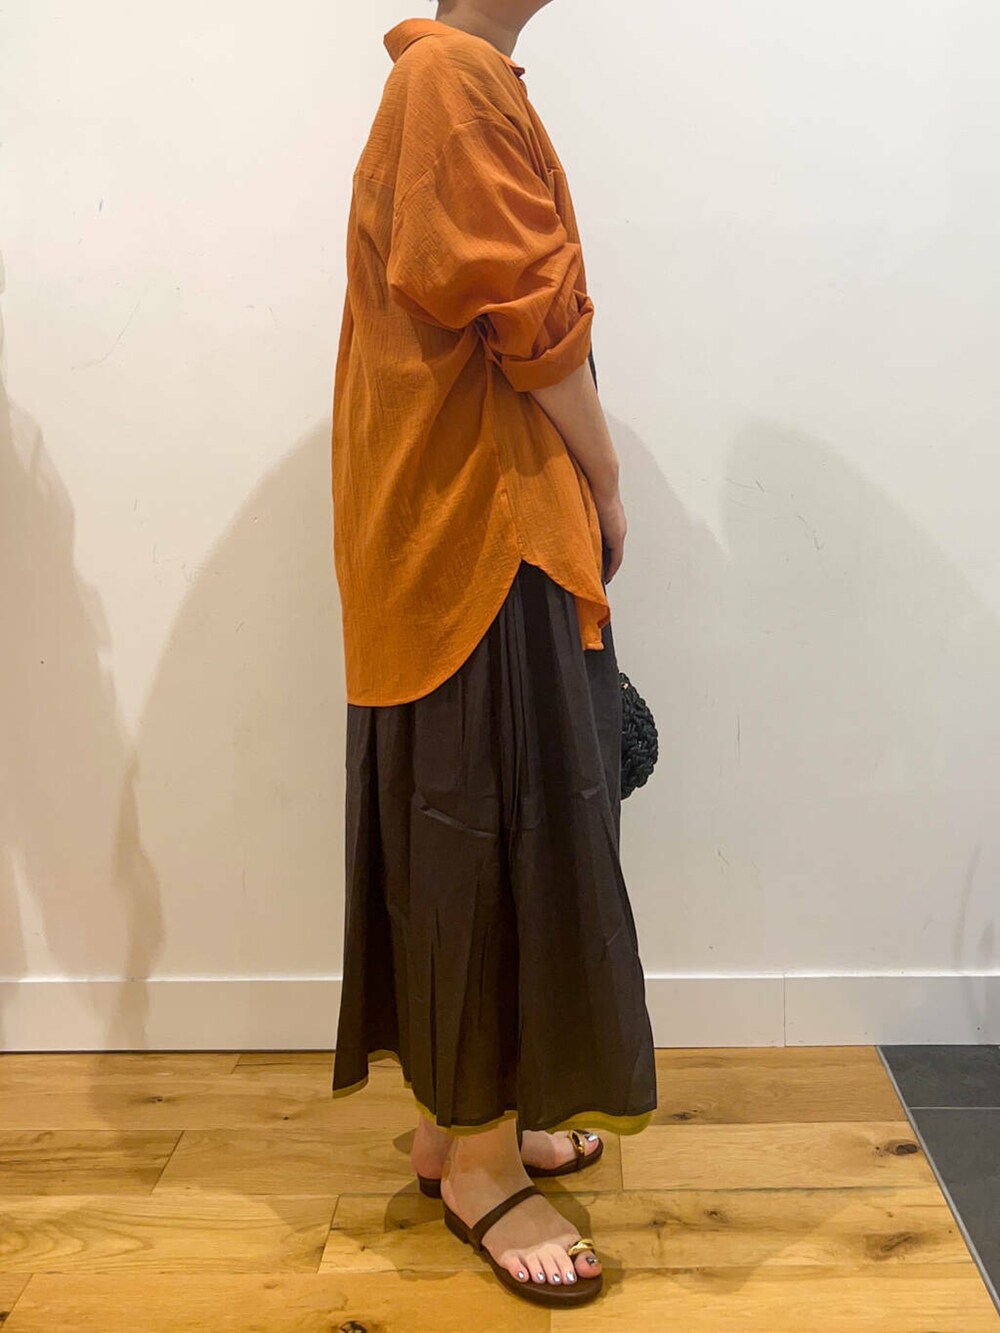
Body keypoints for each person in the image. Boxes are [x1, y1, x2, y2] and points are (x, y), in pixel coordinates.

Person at [329, 1, 657, 1307]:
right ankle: (475, 1161)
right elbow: (525, 313)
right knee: (485, 823)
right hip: (480, 525)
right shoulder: (454, 78)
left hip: (462, 526)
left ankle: (464, 1124)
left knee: (471, 817)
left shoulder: (459, 78)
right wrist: (608, 478)